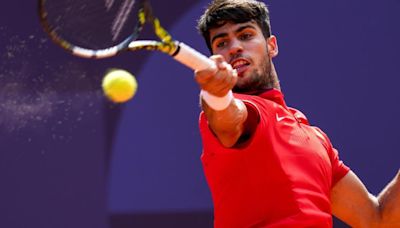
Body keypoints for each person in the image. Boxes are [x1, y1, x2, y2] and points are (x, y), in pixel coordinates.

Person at [194, 0, 400, 227]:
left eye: (245, 35)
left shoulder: (316, 139)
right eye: (222, 42)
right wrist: (215, 95)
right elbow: (227, 117)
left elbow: (377, 219)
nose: (234, 47)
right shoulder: (236, 111)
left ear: (271, 45)